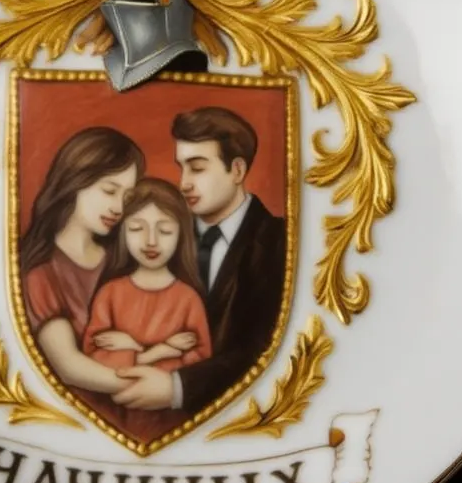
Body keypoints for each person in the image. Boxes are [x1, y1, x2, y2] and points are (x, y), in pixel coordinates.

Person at [113, 107, 286, 415]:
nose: (184, 183)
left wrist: (179, 387)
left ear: (237, 171)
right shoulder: (161, 235)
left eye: (197, 168)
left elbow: (272, 346)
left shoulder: (278, 242)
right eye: (182, 168)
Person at [20, 127, 145, 419]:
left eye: (127, 197)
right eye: (109, 191)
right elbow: (69, 366)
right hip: (79, 417)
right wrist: (149, 387)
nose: (118, 207)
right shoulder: (41, 272)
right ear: (75, 181)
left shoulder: (124, 257)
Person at [82, 179, 212, 442]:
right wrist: (159, 352)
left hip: (177, 427)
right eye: (137, 228)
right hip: (112, 424)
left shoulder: (188, 299)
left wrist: (130, 351)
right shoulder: (110, 293)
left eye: (164, 230)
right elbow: (94, 359)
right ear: (122, 232)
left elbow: (201, 367)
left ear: (181, 235)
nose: (151, 241)